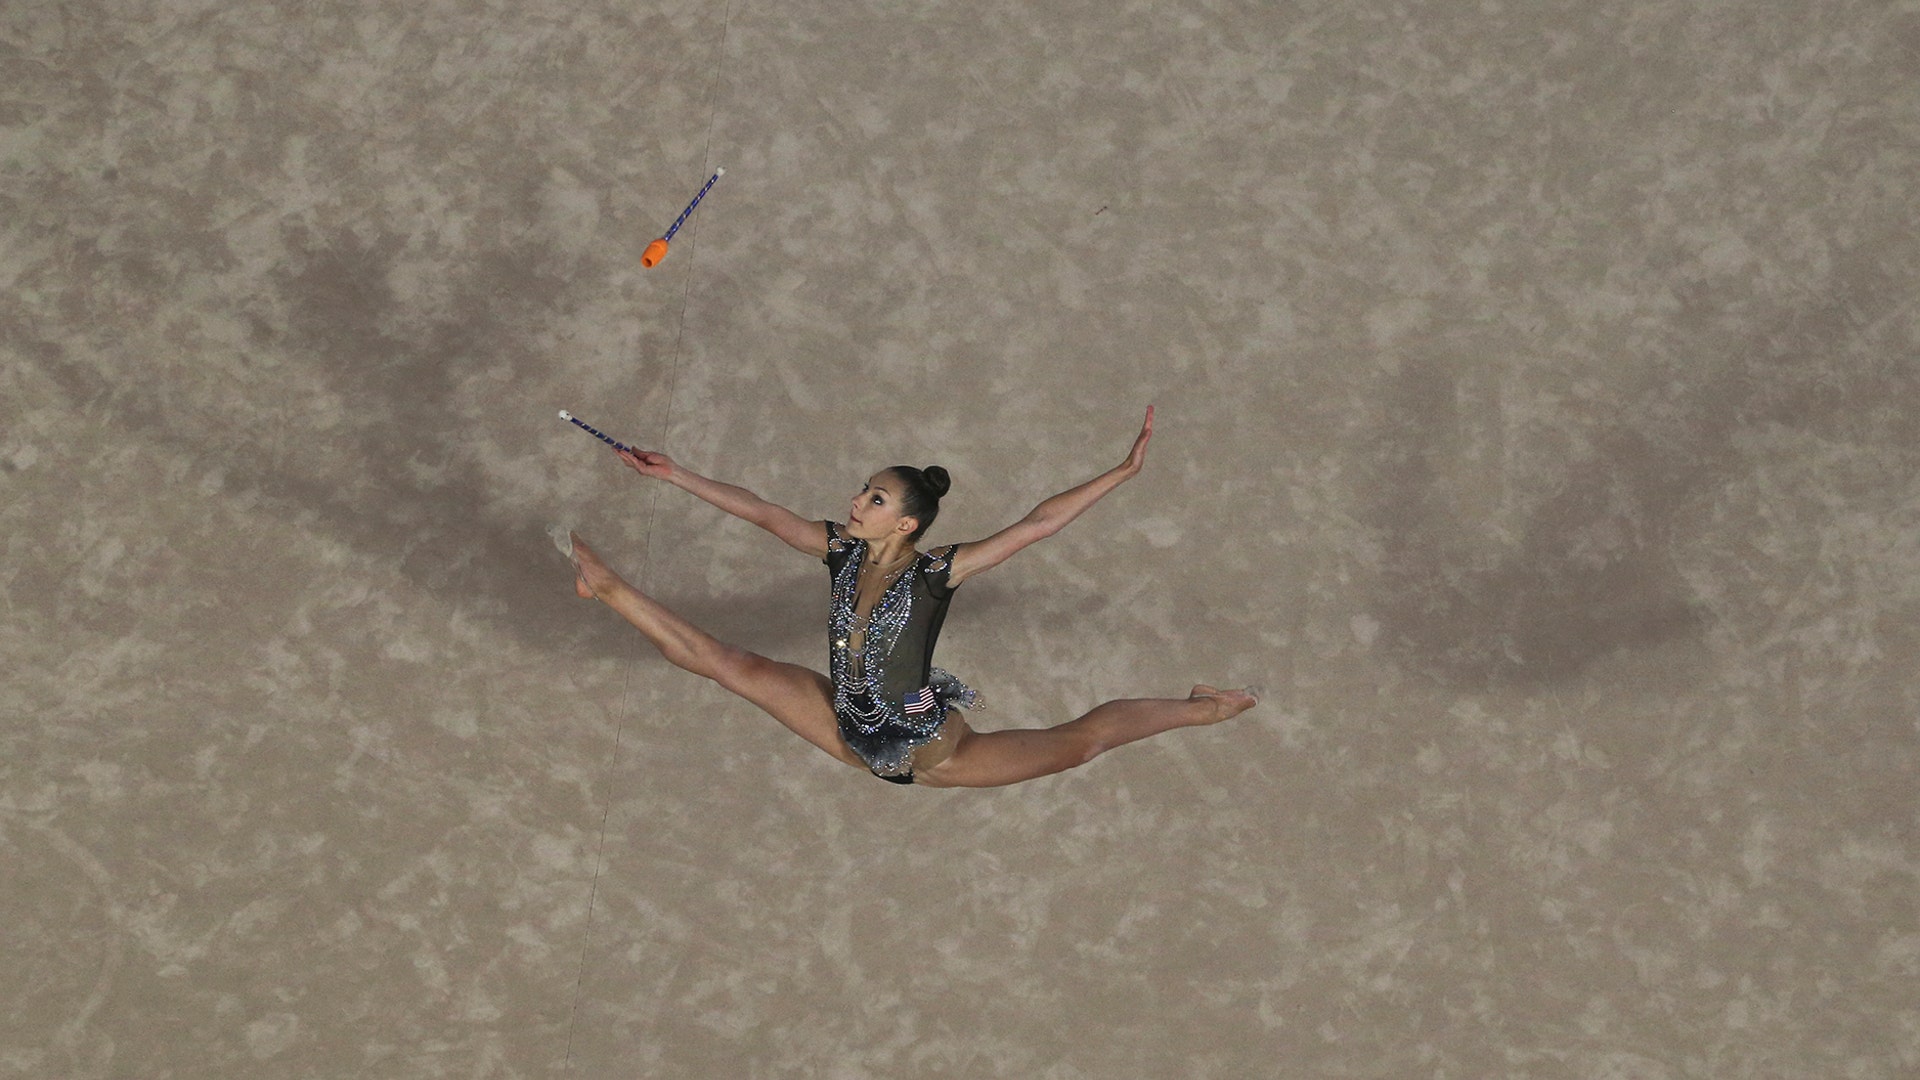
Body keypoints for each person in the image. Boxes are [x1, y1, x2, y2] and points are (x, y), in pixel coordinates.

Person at [557, 405, 1257, 788]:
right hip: (846, 725)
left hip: (930, 752)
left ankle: (1205, 709)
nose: (857, 502)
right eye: (864, 491)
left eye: (875, 498)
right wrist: (675, 474)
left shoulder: (935, 574)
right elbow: (764, 512)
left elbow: (1038, 524)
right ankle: (609, 588)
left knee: (1081, 744)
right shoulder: (840, 550)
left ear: (908, 524)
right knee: (729, 664)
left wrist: (1122, 473)